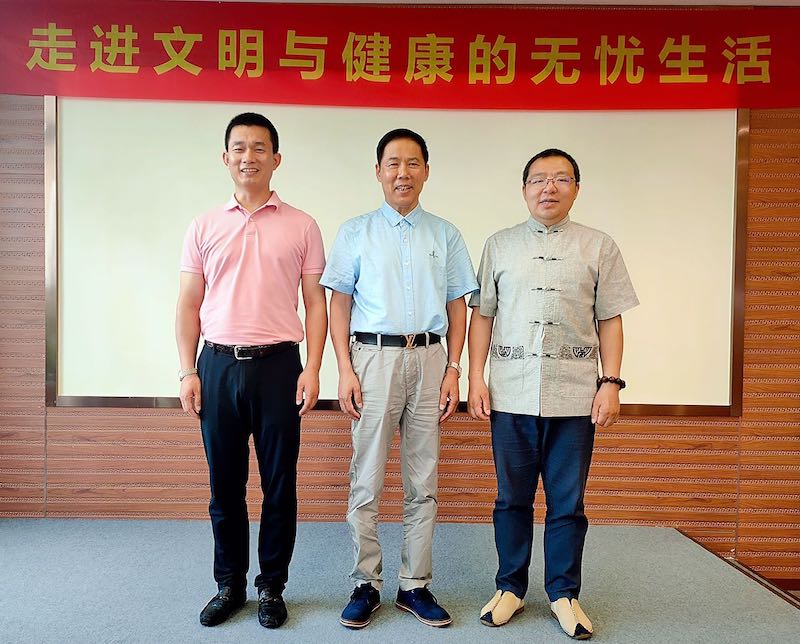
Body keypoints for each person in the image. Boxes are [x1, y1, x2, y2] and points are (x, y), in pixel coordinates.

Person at [467, 149, 638, 639]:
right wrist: (475, 377)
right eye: (539, 179)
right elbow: (483, 315)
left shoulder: (599, 246)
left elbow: (610, 319)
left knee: (568, 502)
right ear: (524, 189)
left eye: (561, 178)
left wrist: (611, 382)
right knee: (511, 499)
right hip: (511, 394)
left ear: (576, 189)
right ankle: (510, 588)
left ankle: (564, 594)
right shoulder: (499, 244)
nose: (549, 187)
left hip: (575, 396)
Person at [175, 112, 327, 629]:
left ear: (276, 159)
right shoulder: (203, 225)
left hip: (279, 366)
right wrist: (187, 370)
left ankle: (271, 587)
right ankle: (230, 584)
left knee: (280, 484)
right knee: (225, 485)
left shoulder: (302, 224)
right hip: (217, 365)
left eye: (259, 148)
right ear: (225, 158)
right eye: (239, 148)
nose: (249, 157)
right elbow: (188, 303)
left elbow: (315, 302)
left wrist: (313, 367)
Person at [321, 128, 477, 629]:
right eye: (393, 163)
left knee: (423, 480)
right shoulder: (355, 232)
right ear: (378, 171)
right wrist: (344, 368)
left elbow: (458, 304)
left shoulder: (445, 234)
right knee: (366, 477)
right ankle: (365, 583)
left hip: (430, 359)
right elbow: (339, 302)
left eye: (413, 163)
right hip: (373, 359)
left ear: (426, 171)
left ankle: (415, 585)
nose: (402, 173)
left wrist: (454, 368)